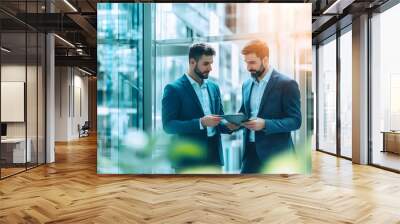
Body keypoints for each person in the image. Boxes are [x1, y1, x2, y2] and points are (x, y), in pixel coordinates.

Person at [162, 43, 236, 172]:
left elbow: (219, 119)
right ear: (192, 62)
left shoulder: (214, 88)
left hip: (214, 159)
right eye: (206, 64)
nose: (210, 68)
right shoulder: (174, 89)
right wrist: (200, 123)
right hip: (188, 160)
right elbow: (168, 126)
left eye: (211, 63)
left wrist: (229, 127)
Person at [239, 39, 302, 173]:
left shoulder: (287, 84)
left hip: (277, 157)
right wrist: (235, 121)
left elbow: (295, 121)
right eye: (246, 62)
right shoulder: (246, 85)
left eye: (252, 63)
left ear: (265, 60)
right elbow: (244, 112)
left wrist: (265, 124)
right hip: (250, 154)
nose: (248, 68)